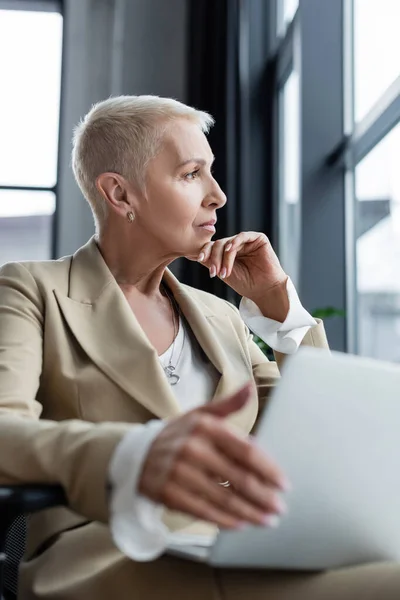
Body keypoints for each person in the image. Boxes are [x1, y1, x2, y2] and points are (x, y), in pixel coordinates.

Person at [0, 95, 398, 600]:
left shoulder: (221, 316)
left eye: (210, 174)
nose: (218, 196)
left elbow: (318, 435)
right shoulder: (32, 290)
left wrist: (280, 307)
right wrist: (131, 455)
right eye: (192, 174)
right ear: (120, 194)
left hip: (238, 549)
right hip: (111, 556)